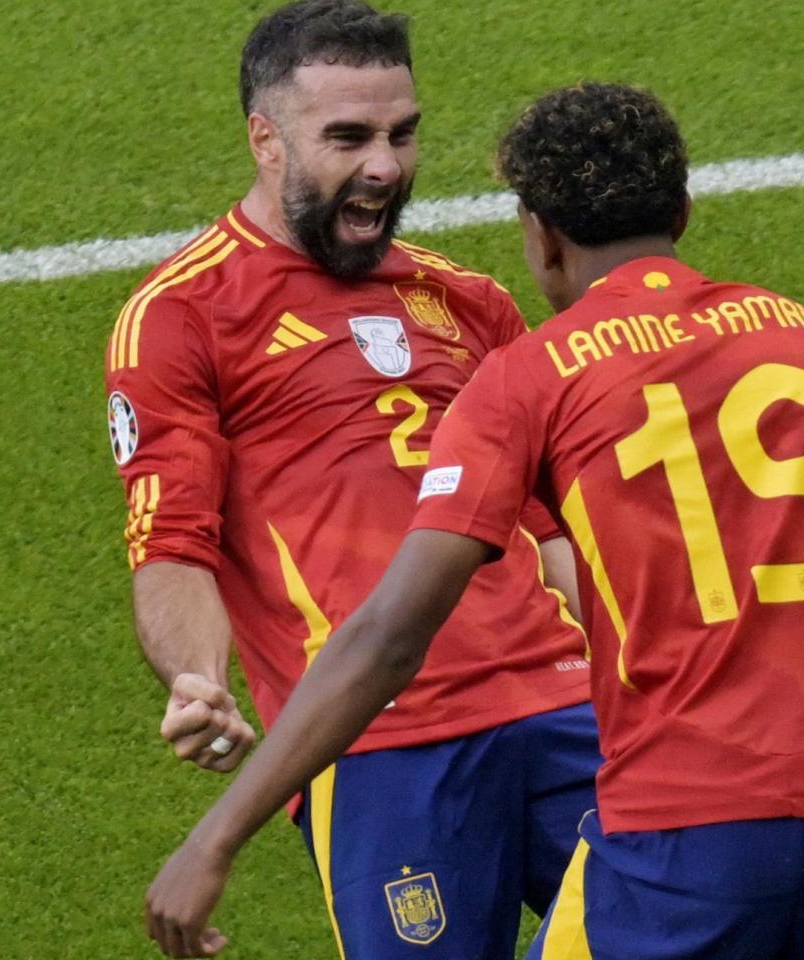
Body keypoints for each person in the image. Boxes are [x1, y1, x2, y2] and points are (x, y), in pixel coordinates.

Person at [142, 82, 804, 959]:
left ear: (540, 235)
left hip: (675, 848)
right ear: (685, 212)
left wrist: (217, 834)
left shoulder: (525, 380)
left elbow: (387, 635)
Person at [106, 4, 601, 957]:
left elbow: (555, 532)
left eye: (401, 134)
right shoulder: (182, 315)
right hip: (377, 745)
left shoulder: (470, 301)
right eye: (349, 137)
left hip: (567, 709)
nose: (385, 166)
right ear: (266, 139)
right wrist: (198, 682)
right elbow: (172, 543)